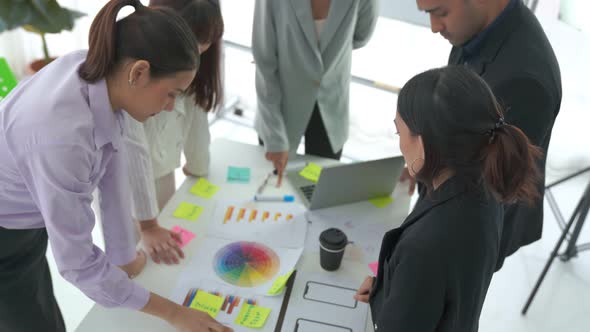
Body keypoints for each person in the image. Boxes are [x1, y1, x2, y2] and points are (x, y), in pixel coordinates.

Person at [0, 1, 230, 331]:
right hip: (5, 230)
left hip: (25, 212)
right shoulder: (62, 138)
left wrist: (122, 255)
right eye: (170, 94)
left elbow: (112, 172)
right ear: (139, 72)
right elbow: (77, 264)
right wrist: (175, 313)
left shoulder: (102, 75)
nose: (169, 108)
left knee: (36, 301)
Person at [355, 66, 542, 331]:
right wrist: (392, 292)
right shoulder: (486, 190)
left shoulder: (423, 246)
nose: (400, 144)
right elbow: (446, 291)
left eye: (399, 133)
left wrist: (403, 291)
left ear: (422, 144)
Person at [406, 0, 562, 270]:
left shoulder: (524, 81)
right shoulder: (473, 28)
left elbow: (484, 194)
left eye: (440, 13)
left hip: (461, 238)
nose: (434, 27)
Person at [124, 0, 224, 265]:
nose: (200, 54)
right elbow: (132, 155)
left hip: (163, 172)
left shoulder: (192, 64)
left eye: (206, 45)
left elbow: (197, 117)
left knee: (167, 250)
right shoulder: (133, 75)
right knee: (132, 259)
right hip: (124, 185)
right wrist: (147, 224)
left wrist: (199, 166)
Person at [253, 0, 378, 185]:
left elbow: (361, 35)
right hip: (280, 104)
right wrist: (274, 137)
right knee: (273, 186)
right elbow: (264, 61)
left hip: (331, 107)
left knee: (319, 190)